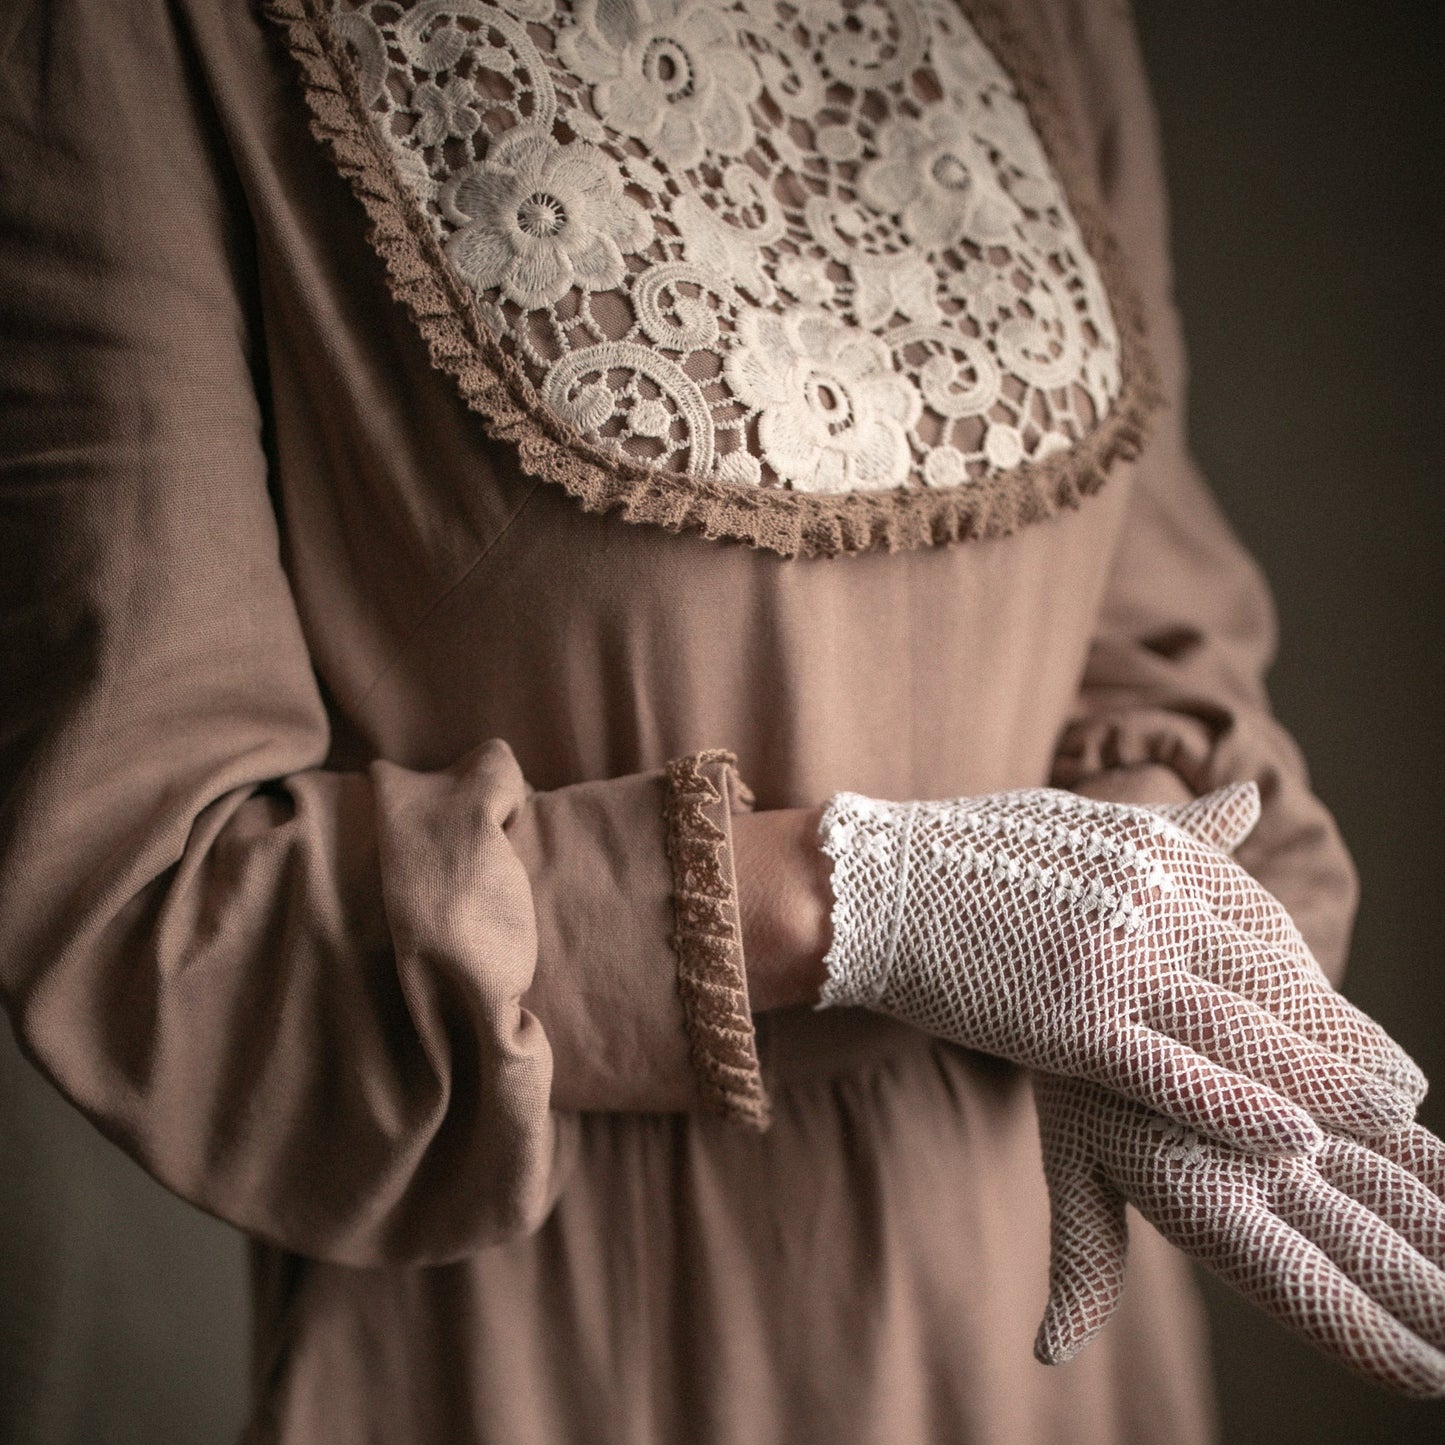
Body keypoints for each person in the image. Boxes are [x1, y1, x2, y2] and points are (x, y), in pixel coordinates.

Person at [1, 1, 1441, 1441]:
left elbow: (1150, 649)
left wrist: (1143, 954)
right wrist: (863, 898)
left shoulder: (1053, 25)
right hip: (561, 1335)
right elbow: (145, 893)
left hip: (1039, 1311)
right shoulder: (145, 34)